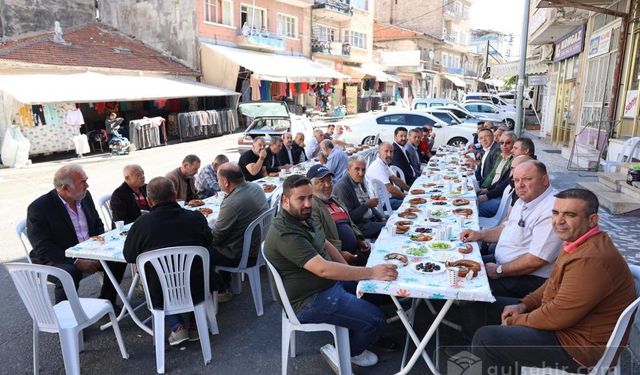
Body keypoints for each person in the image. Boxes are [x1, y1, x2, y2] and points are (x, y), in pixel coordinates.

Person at [472, 189, 636, 374]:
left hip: (577, 347)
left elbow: (557, 316)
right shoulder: (579, 241)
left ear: (592, 220)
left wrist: (517, 321)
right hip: (565, 329)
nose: (559, 221)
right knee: (486, 304)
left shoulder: (591, 259)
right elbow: (552, 282)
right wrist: (524, 305)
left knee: (487, 340)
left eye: (570, 215)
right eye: (556, 213)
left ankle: (488, 357)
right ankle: (484, 360)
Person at [264, 175, 398, 368]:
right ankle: (345, 353)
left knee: (372, 293)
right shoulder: (286, 233)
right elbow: (323, 269)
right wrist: (370, 272)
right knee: (376, 319)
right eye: (300, 199)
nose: (307, 203)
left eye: (310, 197)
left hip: (326, 285)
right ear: (285, 201)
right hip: (307, 300)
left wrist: (351, 269)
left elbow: (324, 243)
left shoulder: (302, 216)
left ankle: (356, 333)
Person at [123, 177, 214, 345]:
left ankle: (177, 327)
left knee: (154, 277)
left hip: (161, 292)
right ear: (174, 195)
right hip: (196, 286)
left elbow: (129, 256)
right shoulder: (195, 218)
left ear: (149, 201)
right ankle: (195, 326)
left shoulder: (141, 225)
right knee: (201, 266)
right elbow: (209, 241)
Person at [460, 160, 563, 298]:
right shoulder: (524, 200)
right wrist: (479, 234)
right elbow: (504, 229)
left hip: (527, 278)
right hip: (502, 263)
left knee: (465, 286)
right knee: (457, 263)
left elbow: (536, 260)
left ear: (544, 180)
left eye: (527, 179)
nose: (520, 185)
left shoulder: (553, 210)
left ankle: (466, 317)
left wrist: (499, 270)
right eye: (516, 180)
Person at [26, 164, 126, 305]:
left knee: (117, 259)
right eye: (83, 182)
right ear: (65, 188)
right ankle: (67, 319)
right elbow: (43, 247)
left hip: (87, 250)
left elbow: (97, 224)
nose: (87, 185)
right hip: (56, 257)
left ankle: (106, 302)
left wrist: (100, 249)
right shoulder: (39, 208)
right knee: (69, 273)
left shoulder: (84, 196)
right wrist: (76, 261)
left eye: (86, 180)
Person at [211, 163, 268, 301]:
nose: (218, 182)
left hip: (244, 255)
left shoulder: (231, 202)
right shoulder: (256, 187)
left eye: (218, 179)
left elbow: (216, 238)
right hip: (260, 246)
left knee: (201, 250)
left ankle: (220, 289)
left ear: (225, 182)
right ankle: (225, 284)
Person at [307, 165, 371, 267]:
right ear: (310, 185)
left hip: (356, 251)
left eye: (330, 181)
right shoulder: (312, 206)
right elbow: (319, 238)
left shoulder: (335, 199)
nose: (327, 185)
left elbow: (350, 223)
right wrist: (339, 254)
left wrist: (359, 239)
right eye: (322, 182)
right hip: (339, 260)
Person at [334, 158, 386, 239]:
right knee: (391, 227)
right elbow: (349, 218)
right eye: (357, 169)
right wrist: (366, 206)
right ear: (348, 169)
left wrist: (381, 217)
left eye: (363, 169)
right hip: (359, 227)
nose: (361, 173)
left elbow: (370, 205)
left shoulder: (359, 180)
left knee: (394, 220)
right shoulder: (342, 187)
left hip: (371, 220)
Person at [477, 132, 516, 217]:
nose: (504, 145)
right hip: (492, 191)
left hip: (500, 197)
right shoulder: (500, 156)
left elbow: (504, 184)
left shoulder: (514, 161)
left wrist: (487, 194)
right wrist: (484, 188)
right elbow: (492, 175)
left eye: (508, 143)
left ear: (514, 145)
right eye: (502, 143)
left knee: (475, 208)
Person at [366, 142, 409, 210]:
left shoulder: (383, 163)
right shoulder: (377, 166)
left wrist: (409, 190)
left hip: (389, 197)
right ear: (379, 152)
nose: (389, 154)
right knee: (411, 204)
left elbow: (395, 179)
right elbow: (390, 188)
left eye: (391, 152)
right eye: (386, 151)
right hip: (383, 203)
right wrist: (407, 197)